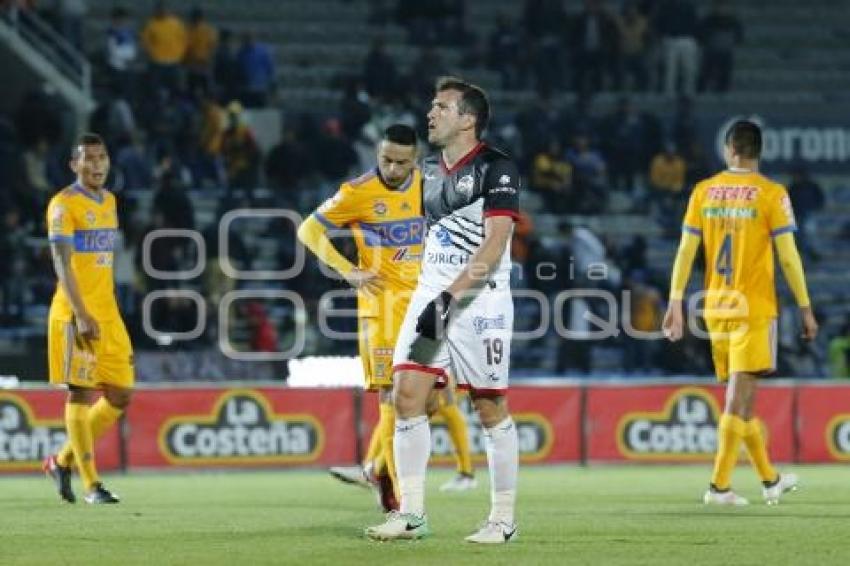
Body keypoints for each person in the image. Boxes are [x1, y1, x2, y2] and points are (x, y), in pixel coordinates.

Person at [366, 77, 520, 544]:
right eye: (432, 106)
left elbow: (495, 245)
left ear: (467, 119)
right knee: (406, 395)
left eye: (441, 107)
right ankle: (411, 514)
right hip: (430, 296)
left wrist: (449, 298)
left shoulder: (498, 168)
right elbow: (435, 236)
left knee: (489, 406)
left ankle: (503, 520)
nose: (430, 114)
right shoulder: (429, 171)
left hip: (479, 301)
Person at [297, 124, 476, 512]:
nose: (392, 168)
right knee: (393, 401)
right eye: (386, 160)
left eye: (401, 162)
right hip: (382, 313)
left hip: (428, 309)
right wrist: (348, 270)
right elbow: (308, 230)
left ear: (415, 160)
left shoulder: (432, 186)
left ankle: (377, 467)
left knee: (434, 402)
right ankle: (399, 504)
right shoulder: (357, 193)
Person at [662, 120, 818, 505]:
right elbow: (788, 256)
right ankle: (718, 487)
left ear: (729, 149)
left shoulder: (703, 191)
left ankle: (770, 480)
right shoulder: (771, 194)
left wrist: (675, 301)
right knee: (738, 402)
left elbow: (685, 251)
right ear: (758, 152)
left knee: (743, 403)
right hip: (753, 308)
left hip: (715, 306)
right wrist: (805, 306)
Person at [42, 133, 134, 504]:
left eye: (102, 157)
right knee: (80, 392)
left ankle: (60, 461)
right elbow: (62, 262)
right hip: (74, 313)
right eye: (88, 159)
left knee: (121, 394)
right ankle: (91, 484)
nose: (96, 165)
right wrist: (81, 313)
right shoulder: (63, 205)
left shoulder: (110, 201)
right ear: (74, 165)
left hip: (108, 313)